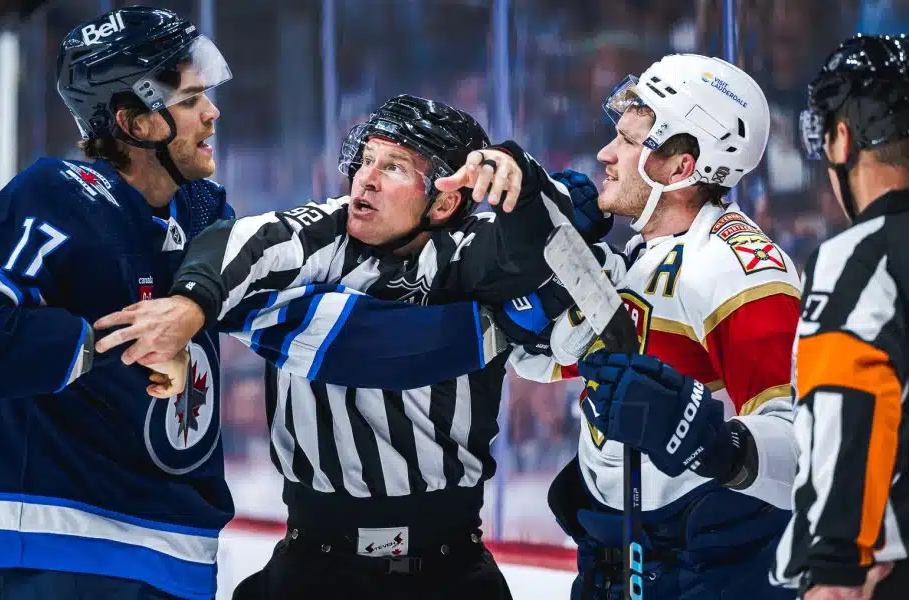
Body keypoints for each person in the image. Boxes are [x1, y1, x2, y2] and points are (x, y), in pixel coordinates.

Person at [0, 8, 513, 600]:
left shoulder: (202, 212)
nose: (212, 112)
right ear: (135, 121)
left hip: (176, 546)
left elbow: (322, 333)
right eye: (190, 100)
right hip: (72, 537)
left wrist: (488, 329)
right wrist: (112, 345)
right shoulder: (58, 194)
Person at [94, 94, 575, 599]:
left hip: (452, 567)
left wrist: (521, 174)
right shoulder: (327, 230)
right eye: (366, 160)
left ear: (444, 201)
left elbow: (547, 243)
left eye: (394, 167)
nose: (366, 179)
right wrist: (191, 304)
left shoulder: (469, 248)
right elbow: (236, 244)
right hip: (314, 565)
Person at [511, 53, 801, 599]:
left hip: (707, 574)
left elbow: (804, 446)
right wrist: (534, 255)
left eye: (627, 140)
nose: (606, 153)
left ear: (680, 167)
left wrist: (714, 443)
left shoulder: (739, 269)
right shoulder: (639, 257)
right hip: (614, 564)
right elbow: (541, 358)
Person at [770, 34, 909, 599]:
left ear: (842, 139)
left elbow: (849, 413)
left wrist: (833, 569)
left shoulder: (858, 260)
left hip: (903, 574)